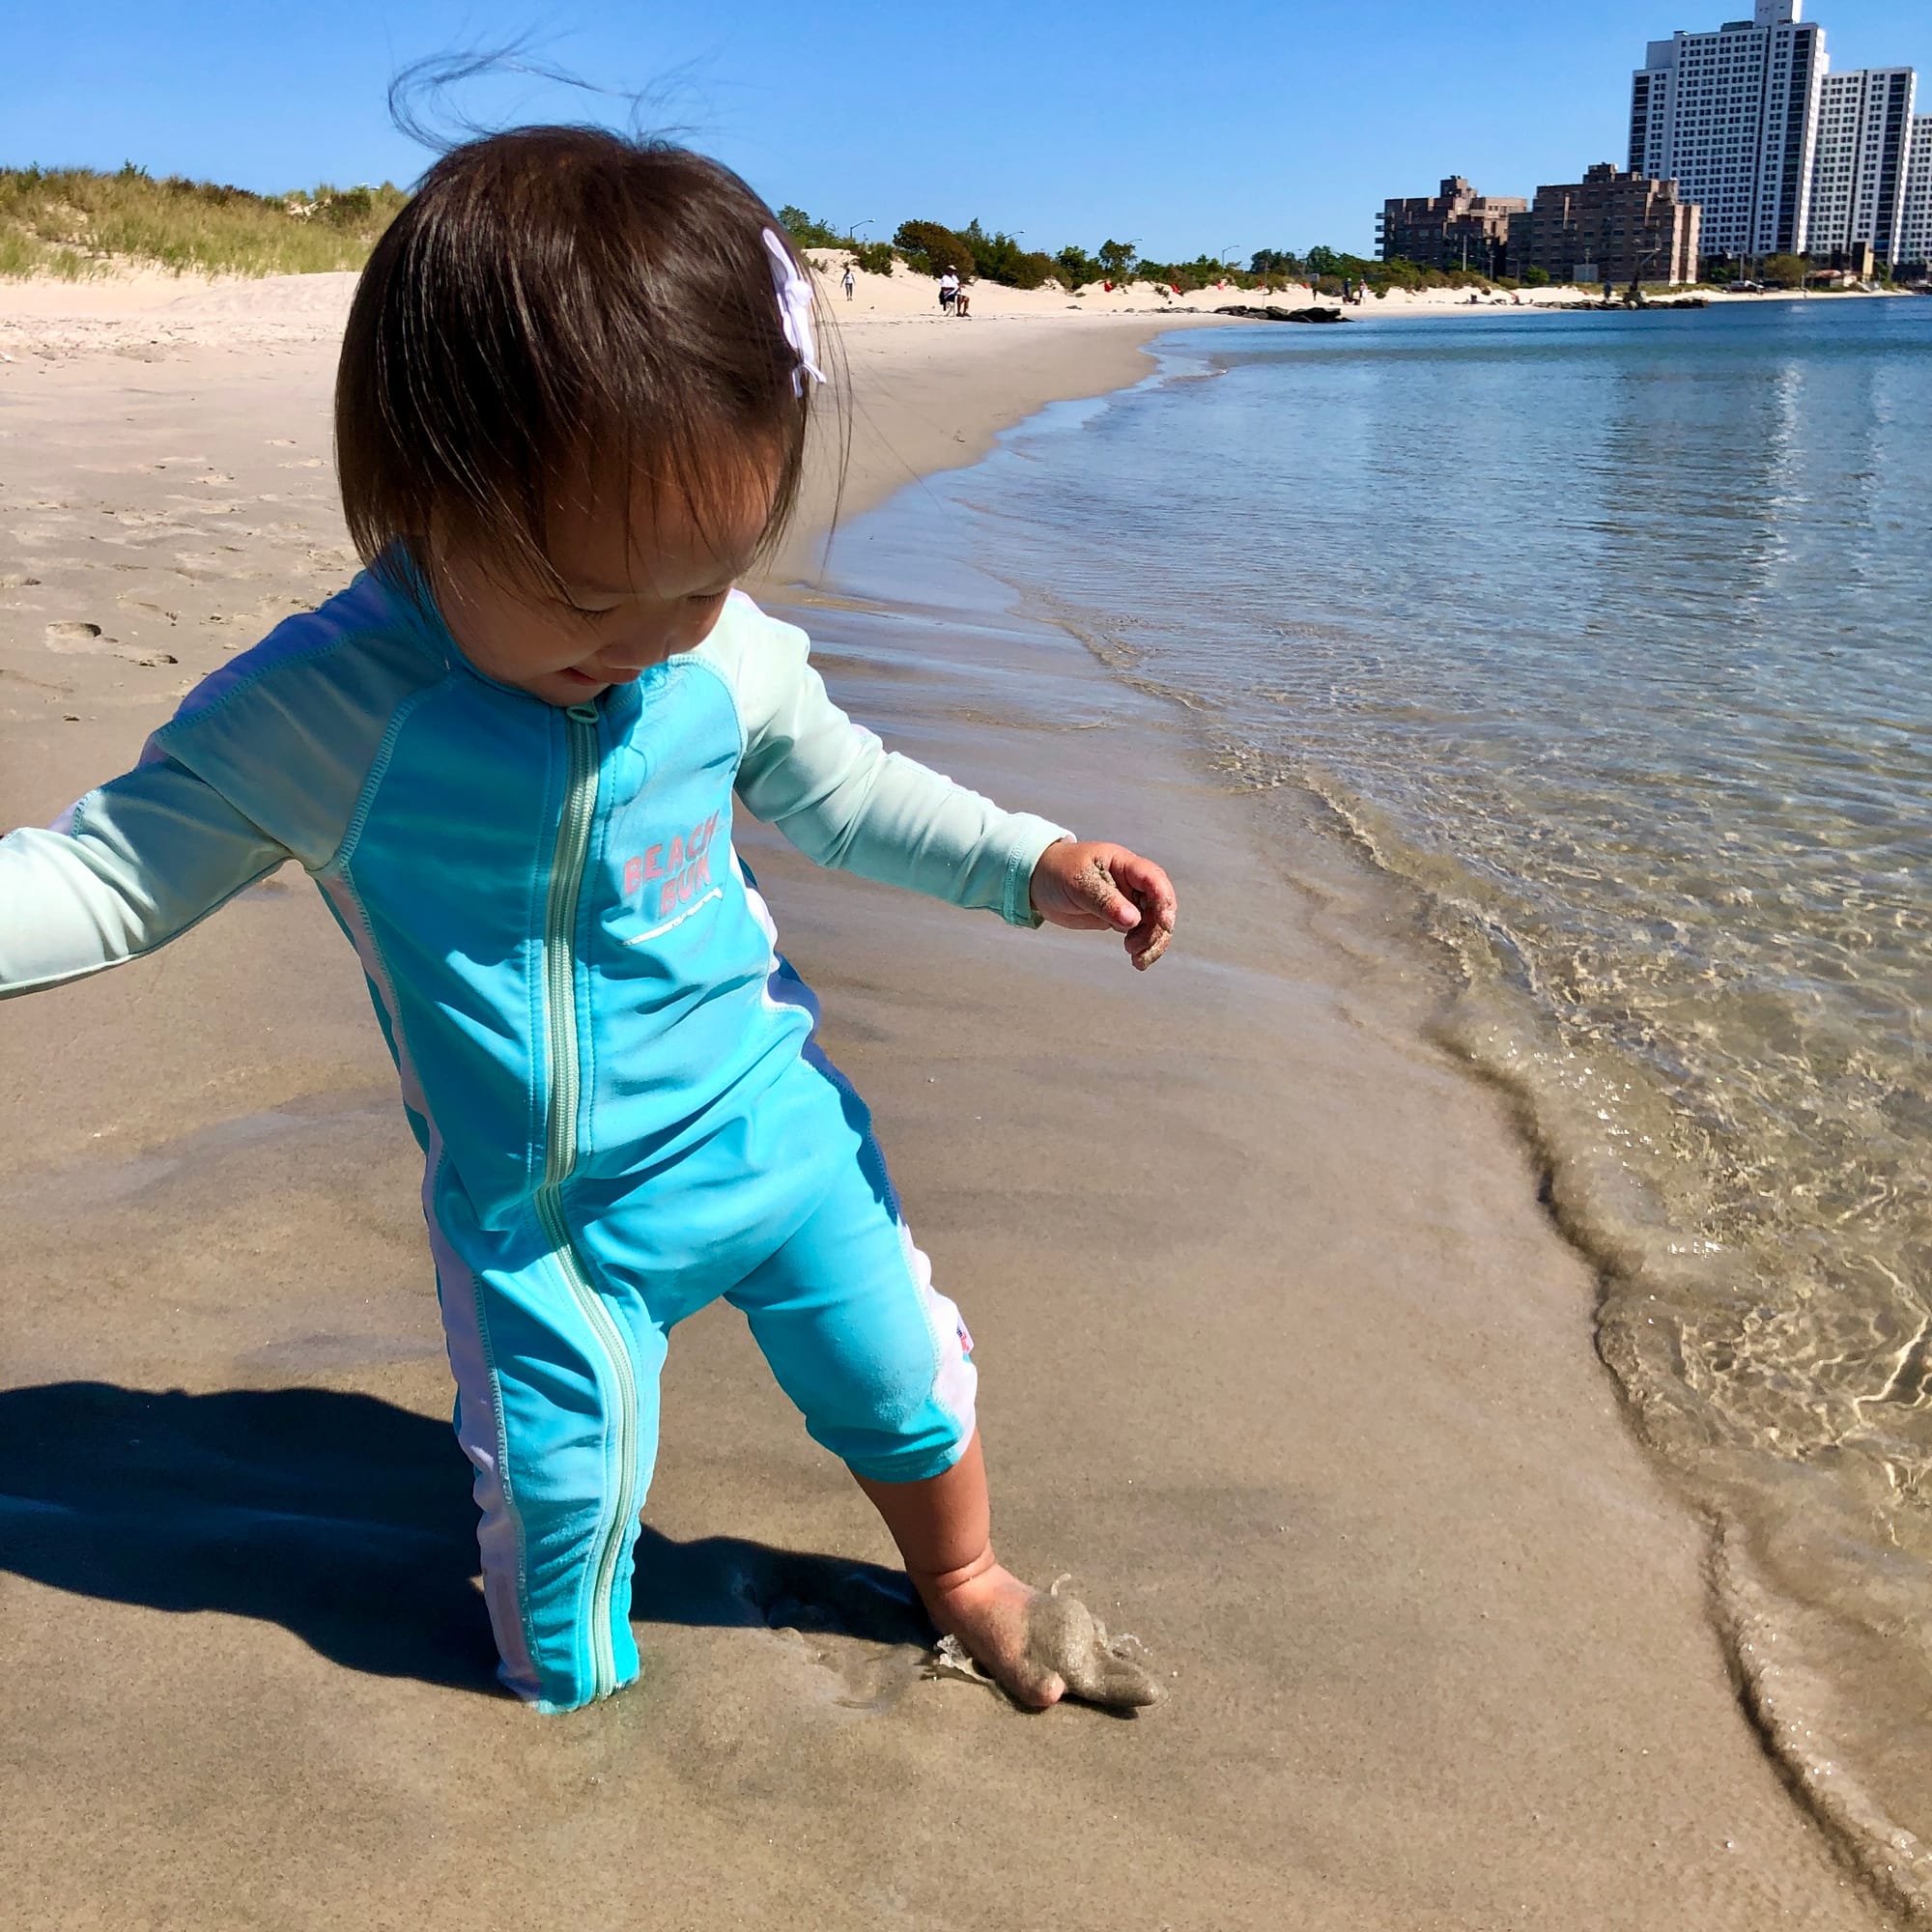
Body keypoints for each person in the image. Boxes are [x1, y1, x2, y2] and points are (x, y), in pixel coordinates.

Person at [0, 127, 1176, 1718]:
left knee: (907, 1385)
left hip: (776, 1137)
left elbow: (849, 790)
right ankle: (572, 1726)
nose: (647, 644)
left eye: (702, 584)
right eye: (586, 598)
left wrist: (1030, 864)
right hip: (543, 1223)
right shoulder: (337, 708)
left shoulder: (721, 652)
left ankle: (961, 1573)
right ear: (427, 488)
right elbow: (107, 874)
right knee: (555, 1577)